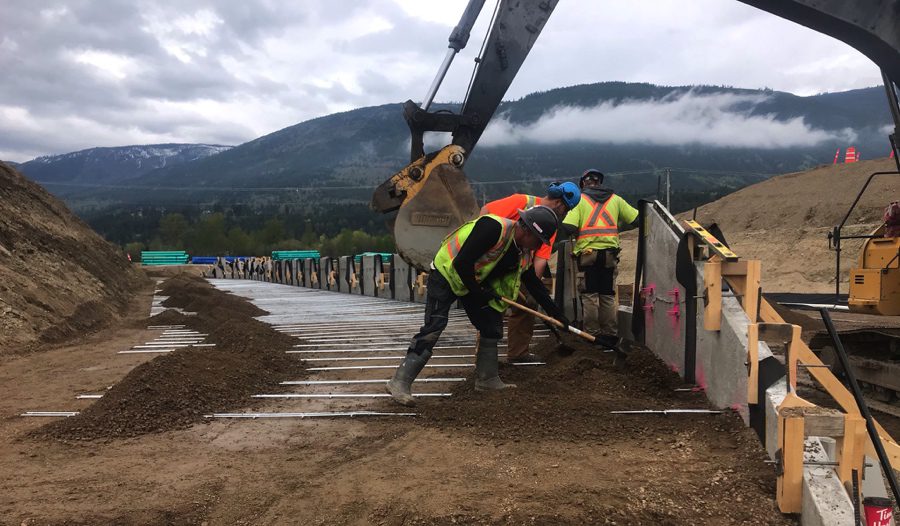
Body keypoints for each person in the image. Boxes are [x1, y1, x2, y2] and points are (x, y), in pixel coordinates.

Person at [386, 205, 568, 406]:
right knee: (435, 326)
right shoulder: (492, 228)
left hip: (473, 281)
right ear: (527, 230)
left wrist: (557, 314)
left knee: (490, 327)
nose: (538, 246)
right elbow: (462, 263)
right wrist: (479, 293)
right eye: (538, 241)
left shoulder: (522, 251)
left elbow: (533, 283)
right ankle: (400, 381)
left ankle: (487, 379)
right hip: (447, 273)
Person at [479, 182, 581, 362]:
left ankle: (518, 353)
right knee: (491, 310)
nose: (565, 215)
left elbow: (540, 259)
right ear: (560, 204)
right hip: (494, 266)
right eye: (567, 211)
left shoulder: (551, 225)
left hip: (522, 268)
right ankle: (484, 360)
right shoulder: (521, 202)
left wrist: (532, 289)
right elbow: (486, 213)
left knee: (527, 306)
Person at [560, 169, 638, 340]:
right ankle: (610, 334)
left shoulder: (579, 201)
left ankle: (592, 335)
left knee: (589, 296)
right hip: (610, 256)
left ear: (583, 183)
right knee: (607, 296)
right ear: (600, 183)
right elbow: (636, 218)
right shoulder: (616, 200)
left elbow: (568, 227)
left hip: (587, 256)